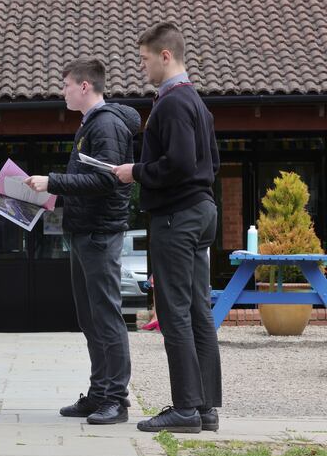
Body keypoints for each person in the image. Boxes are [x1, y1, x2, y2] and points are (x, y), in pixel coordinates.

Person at [113, 22, 221, 434]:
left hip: (177, 217)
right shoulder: (198, 103)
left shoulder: (172, 104)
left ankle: (185, 409)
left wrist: (135, 171)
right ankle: (206, 408)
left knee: (174, 312)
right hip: (201, 210)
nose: (142, 68)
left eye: (143, 60)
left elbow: (178, 162)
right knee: (197, 311)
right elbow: (207, 162)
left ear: (165, 55)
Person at [24, 57, 140, 425]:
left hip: (100, 233)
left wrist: (53, 182)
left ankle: (116, 400)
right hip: (85, 230)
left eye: (67, 85)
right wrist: (55, 195)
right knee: (90, 317)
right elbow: (91, 180)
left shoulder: (105, 126)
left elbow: (108, 180)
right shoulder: (91, 125)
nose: (63, 92)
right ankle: (99, 392)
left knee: (105, 316)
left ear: (85, 86)